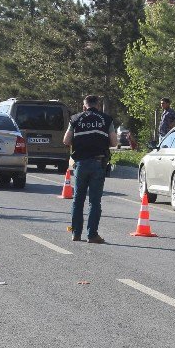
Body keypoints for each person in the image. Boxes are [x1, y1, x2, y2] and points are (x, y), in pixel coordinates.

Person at [63, 95, 117, 244]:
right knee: (94, 201)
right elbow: (114, 142)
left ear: (84, 106)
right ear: (98, 106)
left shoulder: (75, 119)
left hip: (81, 163)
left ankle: (76, 233)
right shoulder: (106, 119)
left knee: (78, 199)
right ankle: (92, 235)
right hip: (98, 163)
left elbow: (66, 140)